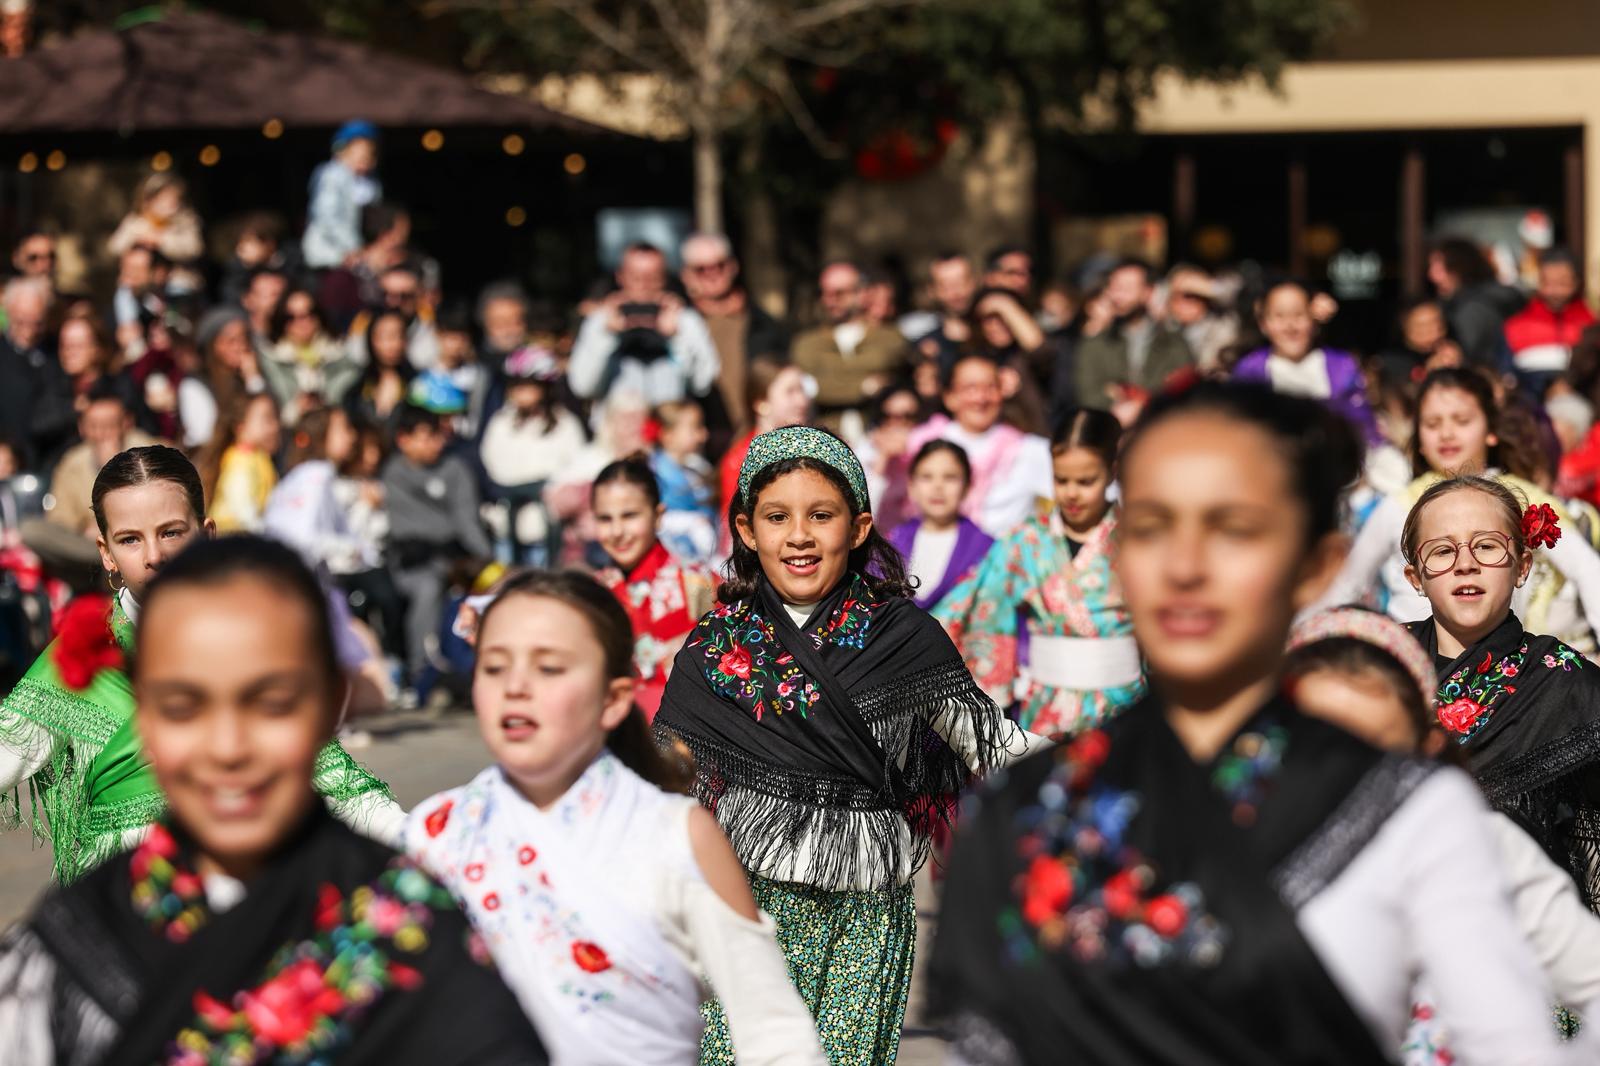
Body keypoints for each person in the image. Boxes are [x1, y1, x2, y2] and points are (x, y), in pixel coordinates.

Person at [926, 382, 1595, 1064]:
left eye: (1235, 529)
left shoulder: (1410, 811)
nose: (1186, 567)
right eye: (1153, 525)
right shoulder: (1020, 812)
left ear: (1318, 567)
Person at [0, 536, 546, 1065]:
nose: (229, 747)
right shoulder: (83, 929)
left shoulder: (413, 927)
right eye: (184, 706)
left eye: (271, 704)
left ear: (330, 702)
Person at [655, 426, 1035, 1065]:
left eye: (820, 516)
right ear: (747, 531)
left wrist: (1110, 767)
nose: (798, 535)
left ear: (858, 528)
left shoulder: (904, 637)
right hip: (748, 906)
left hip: (867, 912)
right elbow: (662, 783)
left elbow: (992, 743)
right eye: (777, 518)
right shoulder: (714, 648)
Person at [405, 570, 823, 1064]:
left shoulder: (675, 835)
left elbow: (774, 1034)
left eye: (549, 668)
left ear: (613, 699)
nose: (515, 686)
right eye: (495, 667)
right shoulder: (437, 830)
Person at [0, 447, 400, 883]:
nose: (154, 554)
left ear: (207, 535)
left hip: (247, 893)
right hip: (122, 903)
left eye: (171, 532)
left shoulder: (251, 643)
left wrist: (423, 849)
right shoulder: (80, 656)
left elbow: (329, 774)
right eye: (130, 539)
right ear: (106, 553)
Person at [1287, 606, 1600, 1060]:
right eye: (1322, 745)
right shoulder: (1232, 853)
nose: (1347, 778)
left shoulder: (1483, 847)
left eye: (1375, 753)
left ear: (1425, 748)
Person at [1397, 475, 1600, 908]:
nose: (1465, 564)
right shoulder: (1377, 667)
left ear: (1522, 566)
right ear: (1415, 576)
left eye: (1487, 546)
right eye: (1443, 550)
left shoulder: (1562, 680)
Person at [1318, 368, 1600, 645]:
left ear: (1490, 431)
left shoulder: (1524, 498)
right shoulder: (1397, 505)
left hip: (1500, 666)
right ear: (1419, 441)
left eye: (1461, 420)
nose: (1446, 433)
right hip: (1416, 663)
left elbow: (1587, 569)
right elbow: (1347, 584)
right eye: (1432, 424)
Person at [937, 408, 1145, 737]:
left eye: (1086, 481)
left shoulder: (1140, 538)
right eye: (1061, 480)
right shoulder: (1025, 540)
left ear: (1112, 471)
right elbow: (975, 602)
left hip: (1125, 707)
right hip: (1047, 710)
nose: (1072, 492)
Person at [591, 456, 716, 719]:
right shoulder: (591, 594)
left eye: (629, 515)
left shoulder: (699, 582)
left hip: (684, 734)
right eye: (605, 518)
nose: (617, 530)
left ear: (658, 515)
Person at [384, 404, 491, 695]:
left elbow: (467, 521)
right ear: (403, 440)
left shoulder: (454, 469)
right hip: (412, 562)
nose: (437, 443)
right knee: (428, 589)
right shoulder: (393, 473)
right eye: (427, 436)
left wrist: (487, 562)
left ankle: (476, 670)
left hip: (457, 558)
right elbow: (407, 528)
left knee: (490, 588)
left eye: (438, 435)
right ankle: (422, 673)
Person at [904, 354, 1054, 538]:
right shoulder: (920, 443)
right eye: (970, 388)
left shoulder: (1030, 449)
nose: (980, 398)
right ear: (949, 396)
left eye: (990, 387)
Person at [570, 243, 719, 422]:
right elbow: (583, 387)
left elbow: (702, 384)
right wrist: (607, 336)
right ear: (620, 276)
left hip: (670, 439)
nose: (643, 286)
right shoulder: (600, 321)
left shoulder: (686, 321)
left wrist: (676, 339)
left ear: (664, 278)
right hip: (619, 439)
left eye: (651, 278)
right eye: (636, 277)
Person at [1232, 279, 1383, 447]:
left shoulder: (1342, 366)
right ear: (1264, 323)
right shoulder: (1249, 370)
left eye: (1298, 315)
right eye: (1279, 316)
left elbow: (1363, 428)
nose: (1290, 326)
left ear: (1314, 319)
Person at [479, 346, 587, 566]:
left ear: (545, 386)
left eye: (528, 384)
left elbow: (576, 472)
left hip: (548, 530)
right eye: (516, 385)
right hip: (507, 527)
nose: (521, 391)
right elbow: (493, 465)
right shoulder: (501, 424)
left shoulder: (566, 425)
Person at [679, 233, 789, 443]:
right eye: (701, 269)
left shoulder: (765, 325)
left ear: (732, 267)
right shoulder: (677, 325)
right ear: (686, 275)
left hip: (757, 438)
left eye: (719, 265)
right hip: (699, 440)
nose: (712, 274)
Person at [790, 261, 912, 440]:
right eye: (825, 293)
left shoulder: (889, 338)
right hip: (825, 440)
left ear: (861, 293)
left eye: (839, 293)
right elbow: (811, 388)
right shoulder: (806, 344)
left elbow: (889, 367)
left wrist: (831, 380)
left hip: (880, 440)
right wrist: (864, 387)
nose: (830, 301)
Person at [1074, 258, 1195, 415]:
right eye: (1114, 287)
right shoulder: (1096, 343)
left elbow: (1185, 389)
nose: (1118, 296)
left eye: (1126, 288)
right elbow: (1088, 394)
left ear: (1147, 292)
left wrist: (1139, 403)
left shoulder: (1172, 342)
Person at [888, 440, 993, 612]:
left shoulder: (986, 549)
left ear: (967, 486)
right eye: (927, 477)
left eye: (950, 477)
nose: (938, 487)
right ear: (912, 487)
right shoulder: (892, 543)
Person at [718, 357, 812, 520]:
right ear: (761, 402)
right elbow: (734, 526)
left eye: (802, 390)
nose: (802, 401)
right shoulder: (740, 461)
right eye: (790, 392)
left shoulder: (815, 448)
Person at [262, 287, 360, 421]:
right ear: (281, 320)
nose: (302, 322)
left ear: (319, 315)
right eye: (291, 317)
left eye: (309, 313)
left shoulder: (342, 355)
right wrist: (295, 410)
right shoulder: (269, 360)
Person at [1505, 247, 1596, 390]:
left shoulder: (1592, 327)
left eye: (1562, 283)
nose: (1553, 291)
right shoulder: (1514, 327)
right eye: (1546, 283)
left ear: (1578, 283)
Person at [302, 119, 383, 270]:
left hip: (356, 257)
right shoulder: (332, 175)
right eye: (360, 150)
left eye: (371, 153)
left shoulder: (369, 182)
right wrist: (354, 248)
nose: (366, 158)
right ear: (342, 150)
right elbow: (327, 217)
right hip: (329, 257)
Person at [106, 172, 204, 293]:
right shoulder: (136, 221)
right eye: (166, 199)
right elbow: (115, 247)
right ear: (150, 200)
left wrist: (161, 240)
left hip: (177, 284)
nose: (172, 205)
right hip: (140, 285)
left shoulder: (185, 221)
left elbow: (194, 249)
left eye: (176, 199)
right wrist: (138, 239)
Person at [1429, 237, 1516, 371]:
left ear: (1459, 268)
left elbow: (1467, 357)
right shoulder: (1464, 304)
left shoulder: (1472, 310)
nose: (1432, 276)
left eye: (1440, 269)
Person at [200, 392, 281, 534]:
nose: (275, 427)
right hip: (232, 540)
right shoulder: (241, 459)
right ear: (241, 427)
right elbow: (242, 507)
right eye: (267, 419)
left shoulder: (259, 458)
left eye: (275, 418)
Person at [651, 400, 718, 565]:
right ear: (668, 435)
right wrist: (691, 523)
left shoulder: (698, 467)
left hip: (707, 556)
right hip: (676, 555)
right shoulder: (656, 473)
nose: (703, 434)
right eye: (695, 428)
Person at [0, 276, 49, 468]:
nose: (29, 331)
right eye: (21, 321)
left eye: (36, 323)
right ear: (9, 313)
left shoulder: (55, 351)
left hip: (47, 461)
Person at [345, 308, 417, 430]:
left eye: (400, 335)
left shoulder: (417, 384)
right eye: (387, 336)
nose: (395, 344)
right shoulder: (356, 388)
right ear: (371, 339)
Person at [1164, 263, 1238, 373]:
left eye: (1189, 295)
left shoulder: (1221, 328)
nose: (1180, 302)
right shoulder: (1166, 329)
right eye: (1175, 295)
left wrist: (1210, 288)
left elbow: (1241, 295)